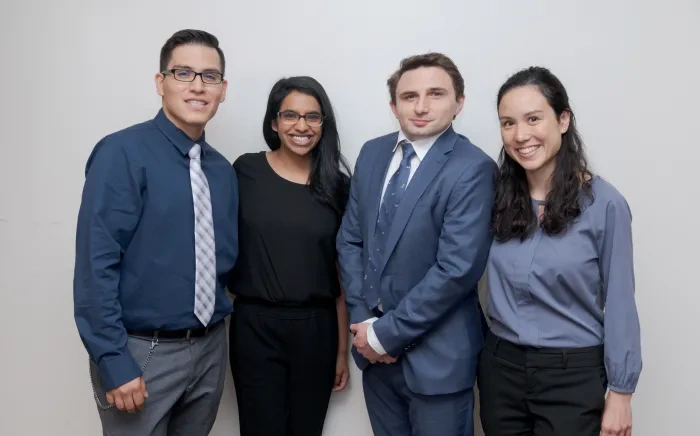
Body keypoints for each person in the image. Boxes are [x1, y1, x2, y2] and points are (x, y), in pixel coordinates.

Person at [73, 29, 238, 436]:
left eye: (210, 76)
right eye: (184, 73)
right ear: (160, 83)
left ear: (223, 90)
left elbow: (224, 261)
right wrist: (112, 359)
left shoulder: (221, 171)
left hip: (211, 347)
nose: (198, 86)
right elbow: (97, 265)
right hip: (142, 352)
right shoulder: (121, 154)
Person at [336, 52, 497, 436]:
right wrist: (364, 326)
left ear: (459, 103)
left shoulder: (473, 168)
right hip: (373, 356)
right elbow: (350, 240)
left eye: (436, 94)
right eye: (409, 97)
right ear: (394, 105)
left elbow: (456, 270)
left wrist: (385, 334)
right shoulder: (372, 154)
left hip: (438, 363)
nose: (421, 107)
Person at [478, 66, 642, 436]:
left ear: (563, 119)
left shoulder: (604, 204)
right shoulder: (494, 198)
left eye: (533, 119)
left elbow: (620, 302)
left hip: (572, 375)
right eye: (508, 123)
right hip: (500, 370)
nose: (520, 135)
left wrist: (620, 393)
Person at [227, 76, 351, 436]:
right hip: (255, 325)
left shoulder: (338, 186)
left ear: (323, 124)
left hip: (317, 328)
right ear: (274, 122)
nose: (301, 126)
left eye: (313, 117)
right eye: (291, 115)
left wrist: (341, 350)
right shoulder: (245, 171)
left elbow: (342, 275)